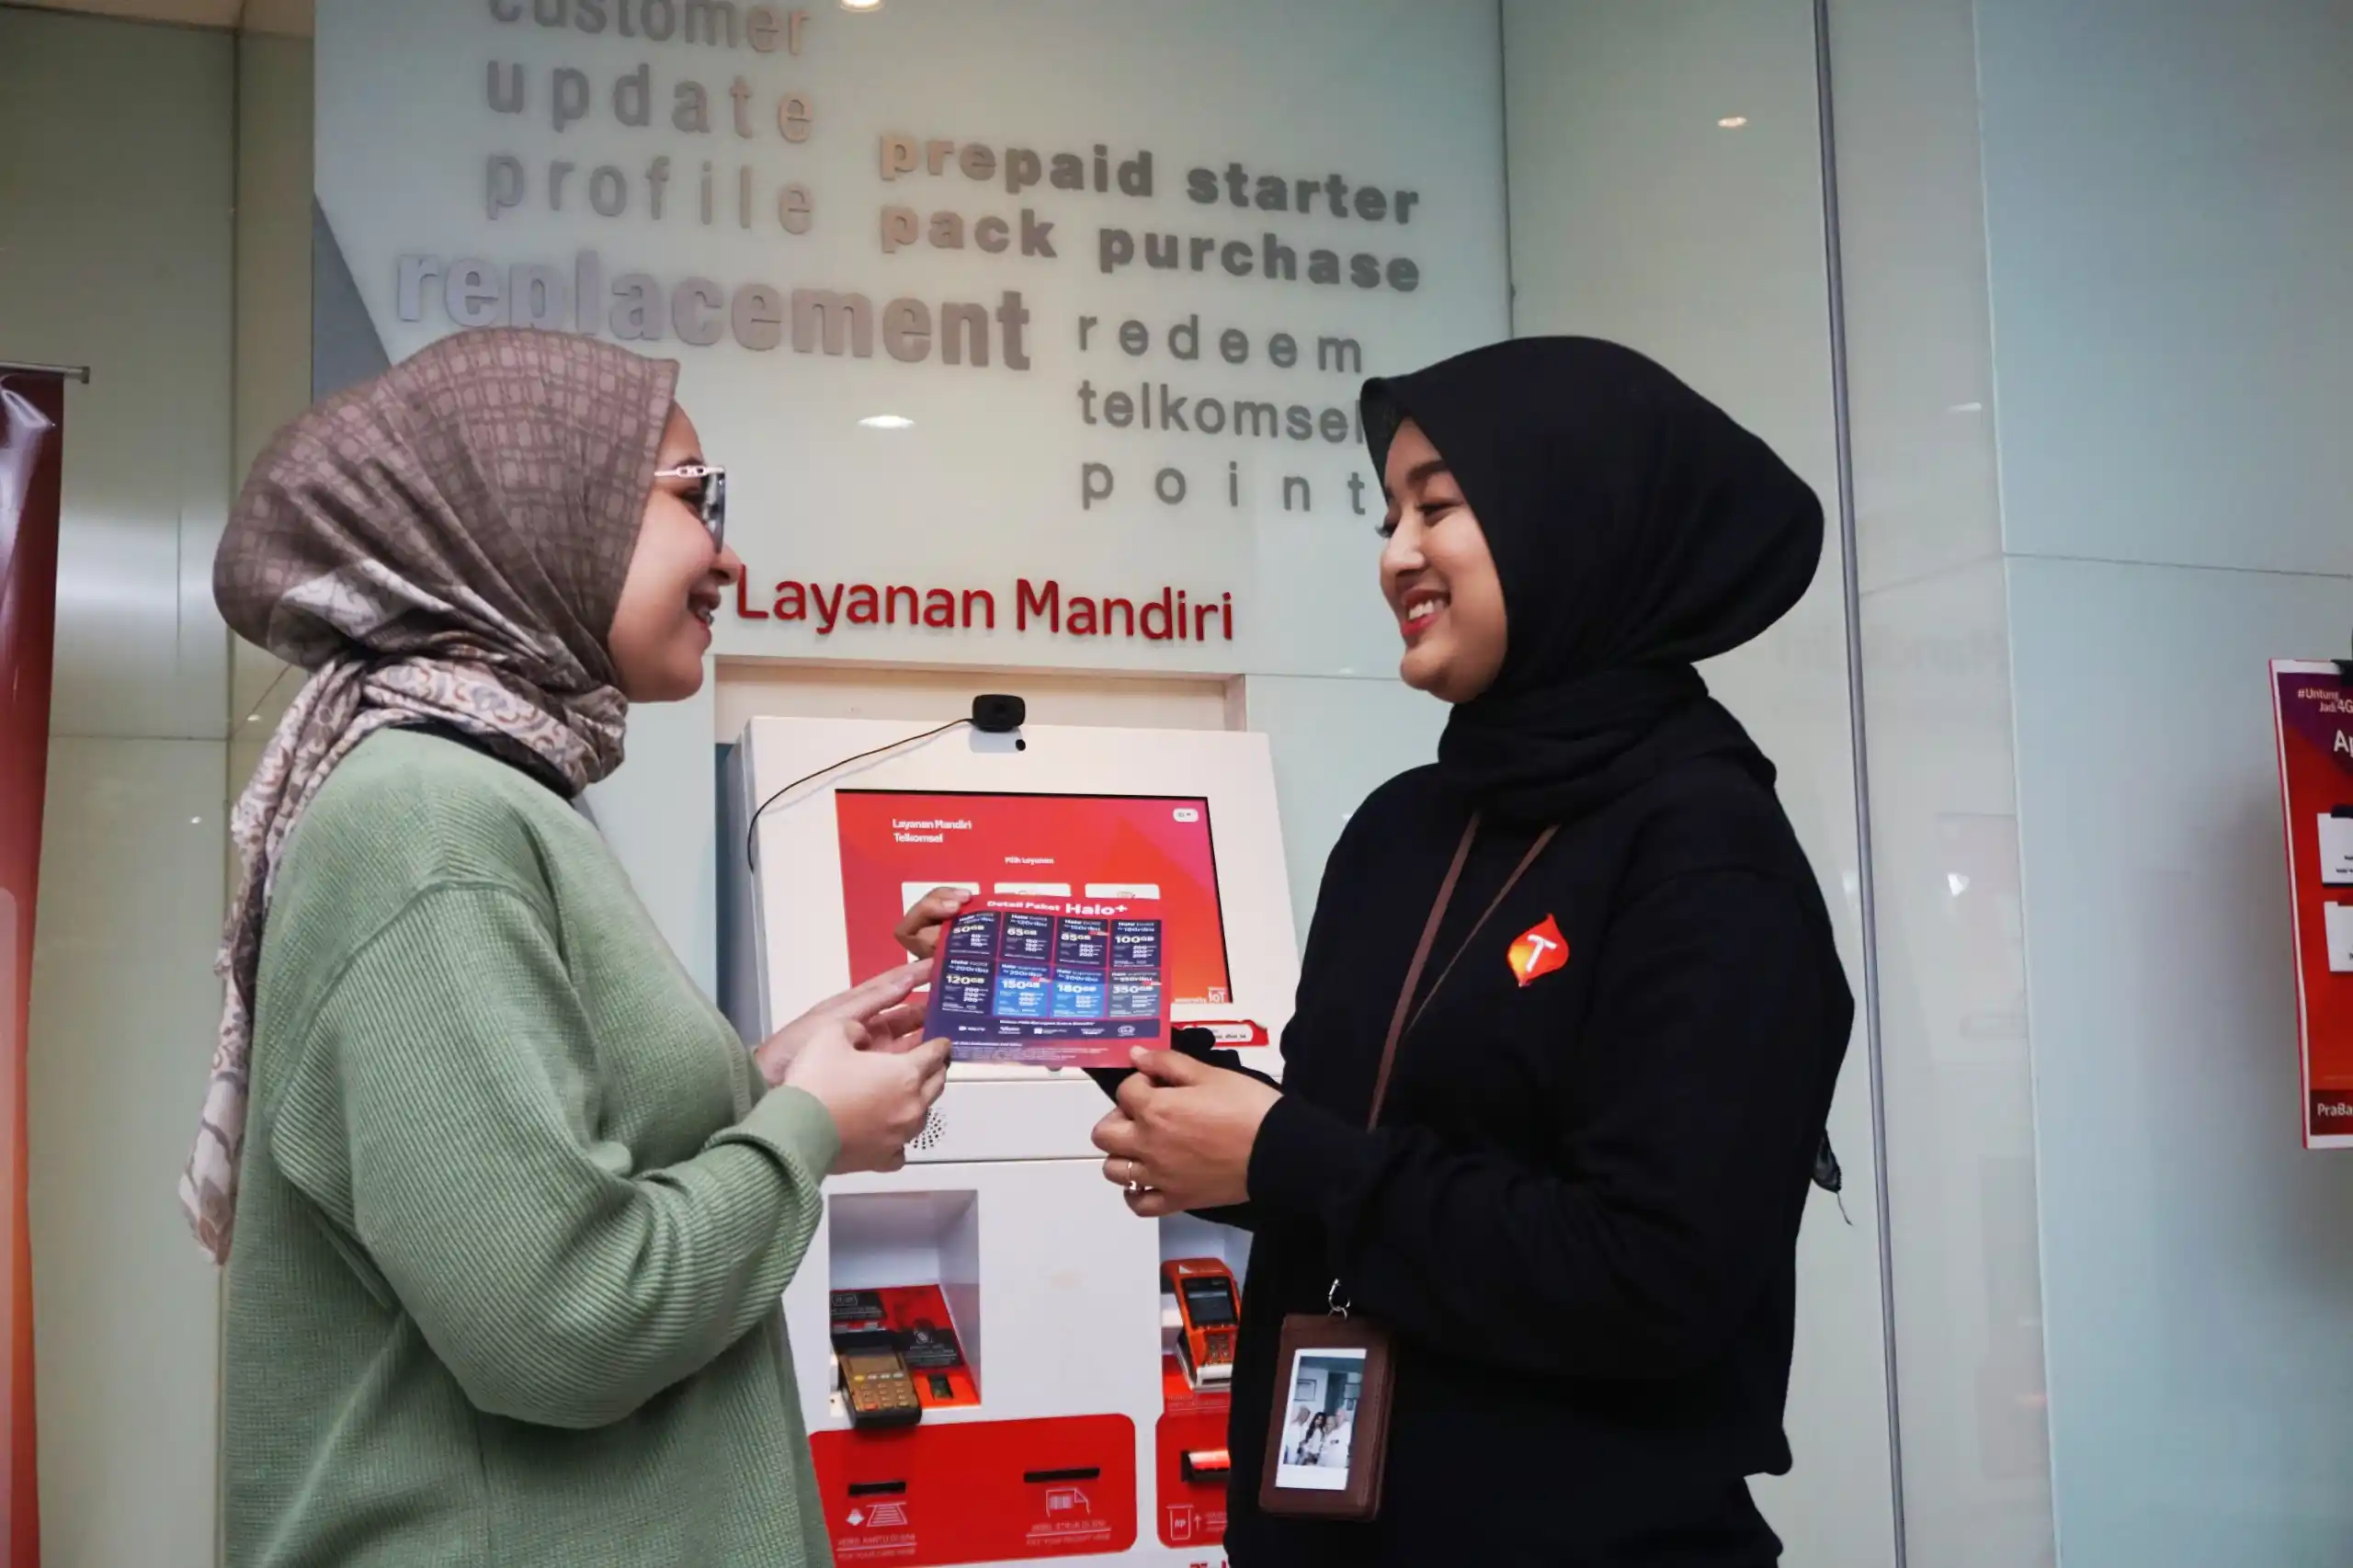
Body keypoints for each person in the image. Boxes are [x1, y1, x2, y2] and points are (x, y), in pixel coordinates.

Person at [188, 327, 950, 1567]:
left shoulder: (497, 789)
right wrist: (806, 1130)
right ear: (534, 505)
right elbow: (562, 1313)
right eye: (698, 497)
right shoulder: (425, 818)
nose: (728, 552)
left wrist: (770, 1078)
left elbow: (542, 1164)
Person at [1082, 337, 1853, 1565]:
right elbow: (1377, 1143)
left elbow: (1657, 1277)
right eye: (1388, 512)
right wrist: (1127, 1060)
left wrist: (1289, 1155)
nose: (1396, 553)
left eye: (1438, 503)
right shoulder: (1403, 827)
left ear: (1573, 511)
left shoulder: (1707, 850)